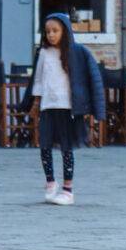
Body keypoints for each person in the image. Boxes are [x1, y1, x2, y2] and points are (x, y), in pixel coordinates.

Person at [21, 13, 106, 206]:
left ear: (65, 31)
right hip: (47, 106)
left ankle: (68, 190)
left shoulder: (76, 53)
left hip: (67, 107)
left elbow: (88, 80)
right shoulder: (42, 53)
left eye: (55, 31)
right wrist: (35, 102)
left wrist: (88, 107)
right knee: (44, 145)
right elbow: (39, 79)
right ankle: (50, 182)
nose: (51, 35)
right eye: (48, 31)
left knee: (66, 148)